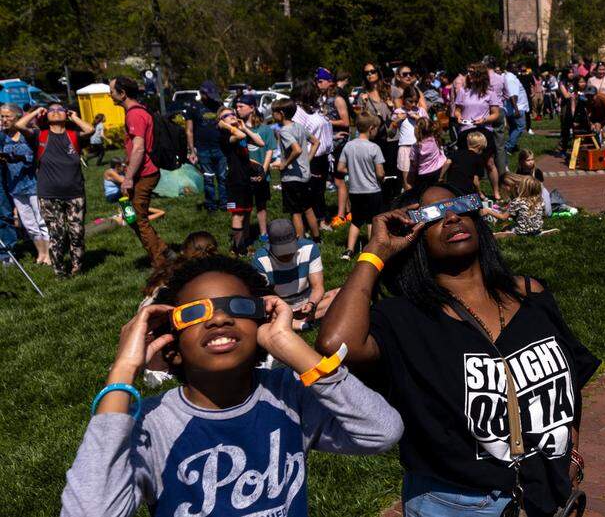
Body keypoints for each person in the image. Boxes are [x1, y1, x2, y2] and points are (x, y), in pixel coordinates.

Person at [316, 184, 600, 516]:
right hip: (456, 503)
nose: (451, 217)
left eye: (459, 206)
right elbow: (336, 345)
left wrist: (573, 452)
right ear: (412, 234)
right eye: (431, 215)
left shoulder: (529, 292)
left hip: (546, 495)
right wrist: (376, 250)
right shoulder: (405, 319)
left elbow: (570, 380)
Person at [61, 255, 402, 517]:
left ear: (262, 325)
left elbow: (380, 431)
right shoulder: (150, 424)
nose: (219, 318)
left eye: (238, 307)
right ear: (172, 348)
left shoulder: (288, 394)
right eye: (194, 313)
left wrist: (292, 346)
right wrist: (123, 370)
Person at [14, 102, 93, 276]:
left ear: (66, 114)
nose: (56, 112)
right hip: (49, 195)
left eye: (60, 110)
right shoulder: (39, 135)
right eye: (51, 110)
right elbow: (19, 125)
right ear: (46, 115)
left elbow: (90, 130)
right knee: (57, 234)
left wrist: (75, 117)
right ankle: (59, 270)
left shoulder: (74, 135)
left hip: (75, 193)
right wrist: (36, 112)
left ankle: (77, 268)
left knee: (77, 233)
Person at [112, 76, 171, 265]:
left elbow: (139, 148)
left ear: (122, 94)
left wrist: (127, 179)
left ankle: (160, 262)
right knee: (130, 216)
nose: (109, 94)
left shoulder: (134, 114)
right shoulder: (136, 111)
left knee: (138, 218)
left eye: (112, 91)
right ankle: (162, 250)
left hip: (144, 174)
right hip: (139, 173)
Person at [253, 219, 340, 331]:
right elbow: (263, 296)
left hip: (308, 301)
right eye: (281, 251)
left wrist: (311, 304)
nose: (286, 255)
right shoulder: (260, 259)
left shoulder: (310, 248)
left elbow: (318, 286)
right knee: (259, 310)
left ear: (298, 238)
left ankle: (293, 323)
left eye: (289, 249)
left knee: (342, 293)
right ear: (269, 243)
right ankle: (303, 321)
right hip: (281, 307)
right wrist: (283, 309)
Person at [1, 103, 49, 265]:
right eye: (2, 116)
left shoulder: (28, 134)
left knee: (41, 220)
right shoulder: (3, 137)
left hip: (33, 183)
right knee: (28, 223)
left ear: (17, 117)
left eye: (8, 116)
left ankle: (49, 254)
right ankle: (40, 253)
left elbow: (30, 157)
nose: (4, 120)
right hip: (15, 185)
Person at [270, 98, 321, 243]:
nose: (273, 116)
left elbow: (296, 150)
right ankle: (317, 238)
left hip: (292, 178)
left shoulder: (284, 131)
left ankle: (299, 242)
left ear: (281, 113)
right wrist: (308, 159)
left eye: (274, 113)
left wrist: (284, 163)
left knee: (296, 212)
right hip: (305, 176)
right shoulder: (299, 126)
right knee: (308, 208)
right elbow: (316, 142)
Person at [217, 106, 265, 256]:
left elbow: (261, 142)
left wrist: (245, 127)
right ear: (221, 121)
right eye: (227, 115)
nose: (232, 116)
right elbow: (240, 136)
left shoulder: (241, 131)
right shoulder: (225, 136)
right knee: (238, 214)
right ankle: (238, 249)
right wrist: (225, 126)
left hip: (246, 179)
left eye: (232, 113)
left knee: (246, 213)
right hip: (235, 181)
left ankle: (242, 245)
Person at [338, 113, 386, 260]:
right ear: (371, 128)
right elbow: (380, 172)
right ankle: (370, 250)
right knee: (372, 220)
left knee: (356, 220)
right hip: (372, 190)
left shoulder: (349, 146)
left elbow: (340, 168)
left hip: (355, 190)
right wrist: (381, 177)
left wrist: (353, 171)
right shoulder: (374, 148)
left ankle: (349, 250)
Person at [452, 63, 503, 199]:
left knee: (489, 162)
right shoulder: (463, 91)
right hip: (466, 130)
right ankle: (475, 193)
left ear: (480, 75)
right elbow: (457, 110)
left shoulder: (490, 93)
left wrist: (484, 119)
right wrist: (458, 116)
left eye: (472, 72)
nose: (468, 75)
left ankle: (496, 192)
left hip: (483, 130)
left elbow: (495, 114)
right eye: (468, 72)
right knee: (469, 164)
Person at [357, 62, 402, 205]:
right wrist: (363, 105)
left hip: (392, 136)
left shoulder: (391, 90)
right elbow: (361, 120)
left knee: (393, 172)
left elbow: (401, 113)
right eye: (366, 73)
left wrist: (393, 107)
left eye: (372, 71)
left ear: (378, 72)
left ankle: (395, 201)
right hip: (375, 139)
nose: (370, 74)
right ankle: (381, 203)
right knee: (379, 172)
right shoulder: (363, 96)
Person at [294, 77, 334, 228]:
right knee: (313, 192)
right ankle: (315, 222)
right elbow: (298, 134)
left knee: (320, 190)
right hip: (312, 157)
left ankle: (321, 218)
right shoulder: (298, 111)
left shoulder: (314, 108)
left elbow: (319, 129)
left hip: (323, 157)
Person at [237, 94, 276, 244]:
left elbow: (269, 150)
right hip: (244, 175)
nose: (237, 109)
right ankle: (245, 235)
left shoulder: (265, 129)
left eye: (241, 106)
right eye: (237, 106)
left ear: (252, 108)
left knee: (261, 205)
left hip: (261, 175)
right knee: (245, 207)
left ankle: (263, 233)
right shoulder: (238, 129)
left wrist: (263, 171)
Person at [185, 81, 228, 213]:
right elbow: (189, 130)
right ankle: (211, 206)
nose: (210, 97)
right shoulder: (193, 107)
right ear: (202, 93)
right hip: (203, 149)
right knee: (208, 178)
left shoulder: (219, 105)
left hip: (220, 148)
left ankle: (224, 204)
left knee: (223, 177)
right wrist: (192, 150)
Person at [327, 70, 354, 229]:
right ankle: (349, 211)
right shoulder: (328, 99)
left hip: (341, 144)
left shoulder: (338, 99)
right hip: (333, 143)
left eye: (321, 81)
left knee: (339, 180)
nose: (318, 84)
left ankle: (341, 215)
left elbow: (345, 122)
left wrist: (326, 121)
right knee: (340, 180)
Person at [444, 130, 489, 197]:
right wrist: (480, 193)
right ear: (479, 147)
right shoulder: (479, 159)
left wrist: (441, 178)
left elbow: (447, 162)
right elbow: (475, 181)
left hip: (450, 186)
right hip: (465, 190)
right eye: (483, 149)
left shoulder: (457, 153)